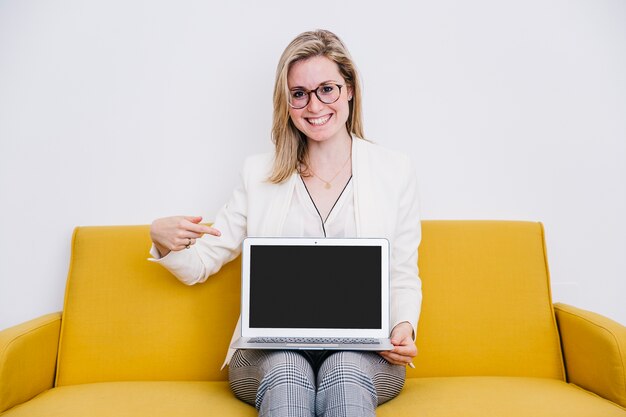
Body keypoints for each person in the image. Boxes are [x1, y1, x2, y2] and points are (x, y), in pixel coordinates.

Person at [149, 29, 422, 417]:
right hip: (266, 353)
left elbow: (402, 272)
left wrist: (404, 327)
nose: (314, 105)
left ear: (349, 90)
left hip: (365, 352)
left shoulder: (394, 170)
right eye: (299, 93)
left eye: (327, 89)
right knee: (289, 370)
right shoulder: (258, 173)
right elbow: (200, 264)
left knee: (343, 368)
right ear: (287, 102)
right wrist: (163, 240)